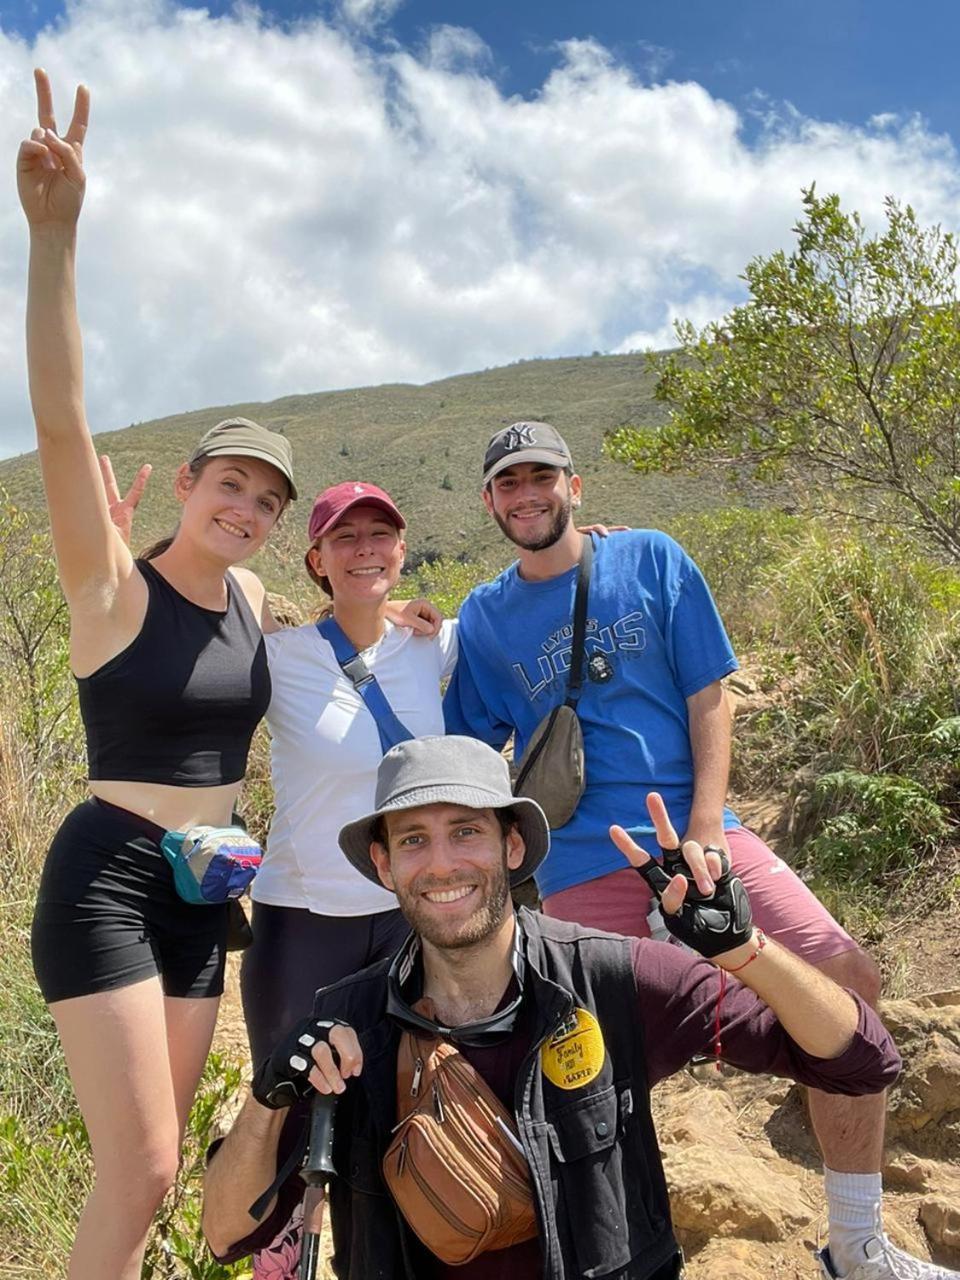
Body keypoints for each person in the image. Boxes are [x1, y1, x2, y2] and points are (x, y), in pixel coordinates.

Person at [440, 421, 957, 1280]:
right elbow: (467, 742)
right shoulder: (486, 619)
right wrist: (415, 630)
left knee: (846, 981)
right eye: (508, 484)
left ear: (576, 486)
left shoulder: (652, 558)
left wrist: (710, 826)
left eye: (542, 477)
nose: (526, 495)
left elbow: (706, 694)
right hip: (578, 860)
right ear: (490, 502)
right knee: (588, 1068)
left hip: (702, 839)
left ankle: (857, 1243)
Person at [202, 735, 901, 1280]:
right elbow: (228, 1232)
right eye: (413, 840)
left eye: (466, 832)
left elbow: (862, 1059)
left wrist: (746, 950)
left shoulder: (610, 977)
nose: (442, 864)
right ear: (385, 866)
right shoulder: (346, 1028)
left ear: (511, 847)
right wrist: (269, 1098)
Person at [18, 72, 297, 1280]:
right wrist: (54, 237)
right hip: (112, 881)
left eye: (267, 500)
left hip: (206, 890)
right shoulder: (112, 590)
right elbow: (62, 413)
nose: (246, 508)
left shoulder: (253, 601)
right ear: (186, 483)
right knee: (133, 1167)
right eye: (229, 484)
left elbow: (352, 625)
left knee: (162, 1166)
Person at [242, 479, 457, 1071]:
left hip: (408, 913)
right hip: (302, 918)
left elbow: (525, 606)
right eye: (345, 537)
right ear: (318, 560)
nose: (365, 548)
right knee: (286, 1102)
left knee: (395, 1103)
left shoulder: (430, 644)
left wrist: (587, 544)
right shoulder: (282, 658)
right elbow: (214, 592)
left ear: (401, 551)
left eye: (379, 535)